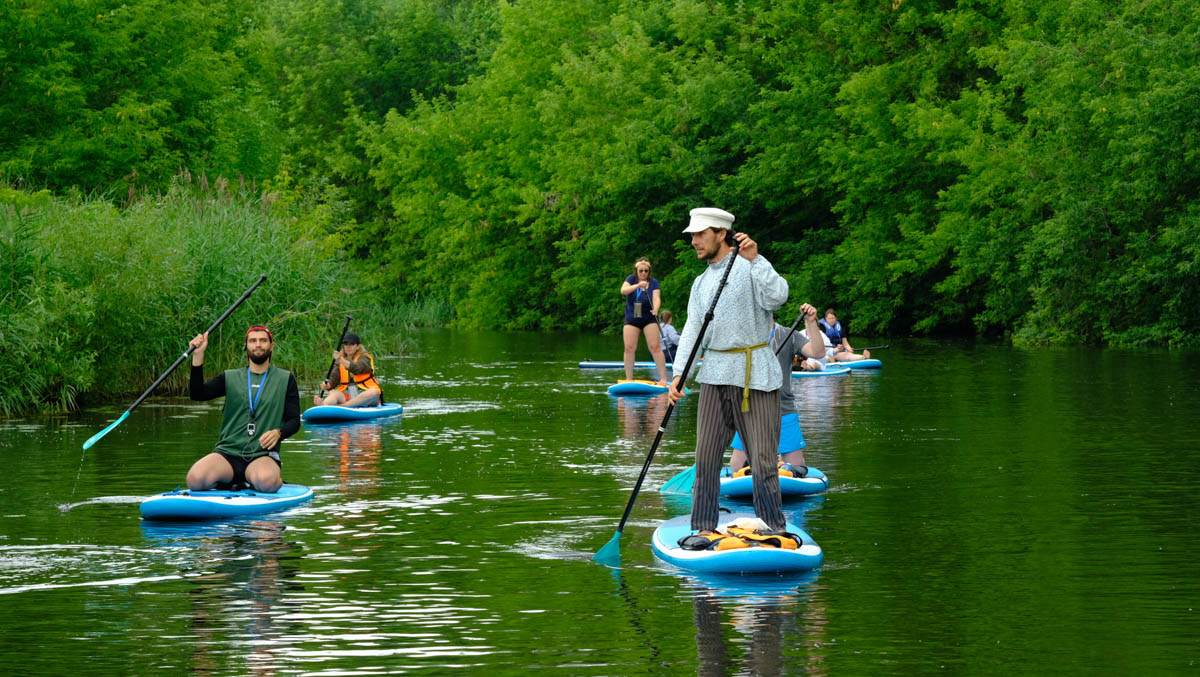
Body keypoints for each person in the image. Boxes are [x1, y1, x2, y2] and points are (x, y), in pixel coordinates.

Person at [667, 207, 790, 547]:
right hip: (715, 374)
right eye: (692, 235)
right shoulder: (701, 282)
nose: (693, 241)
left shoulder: (750, 266)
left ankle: (772, 526)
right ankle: (704, 527)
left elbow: (778, 296)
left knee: (764, 459)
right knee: (705, 457)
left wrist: (757, 259)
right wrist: (680, 376)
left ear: (721, 233)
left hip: (756, 377)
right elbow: (694, 330)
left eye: (699, 234)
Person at [185, 325, 301, 493]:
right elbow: (197, 394)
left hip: (262, 455)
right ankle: (236, 482)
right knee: (195, 480)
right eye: (252, 341)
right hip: (227, 453)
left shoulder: (285, 378)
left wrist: (279, 433)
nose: (258, 345)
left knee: (266, 482)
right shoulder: (230, 377)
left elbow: (294, 421)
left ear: (271, 346)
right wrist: (198, 355)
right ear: (246, 346)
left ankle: (273, 480)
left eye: (263, 340)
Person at [729, 303, 826, 474]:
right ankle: (763, 468)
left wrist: (811, 323)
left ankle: (781, 466)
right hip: (750, 409)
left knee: (797, 467)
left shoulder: (788, 335)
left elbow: (818, 353)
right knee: (736, 466)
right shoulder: (742, 336)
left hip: (783, 409)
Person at [620, 257, 669, 383]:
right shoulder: (631, 279)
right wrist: (637, 285)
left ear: (649, 271)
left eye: (646, 271)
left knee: (655, 347)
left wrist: (656, 308)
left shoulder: (653, 283)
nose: (643, 273)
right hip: (632, 317)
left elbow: (656, 297)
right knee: (629, 348)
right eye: (640, 271)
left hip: (649, 317)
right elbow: (623, 291)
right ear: (636, 271)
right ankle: (629, 379)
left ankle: (663, 378)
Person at [314, 332, 383, 407]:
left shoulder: (365, 358)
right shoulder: (340, 360)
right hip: (347, 393)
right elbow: (334, 379)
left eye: (351, 344)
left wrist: (341, 360)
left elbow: (358, 369)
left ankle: (343, 406)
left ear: (358, 346)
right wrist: (328, 385)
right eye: (346, 344)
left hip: (365, 391)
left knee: (373, 392)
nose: (348, 347)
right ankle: (324, 405)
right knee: (333, 393)